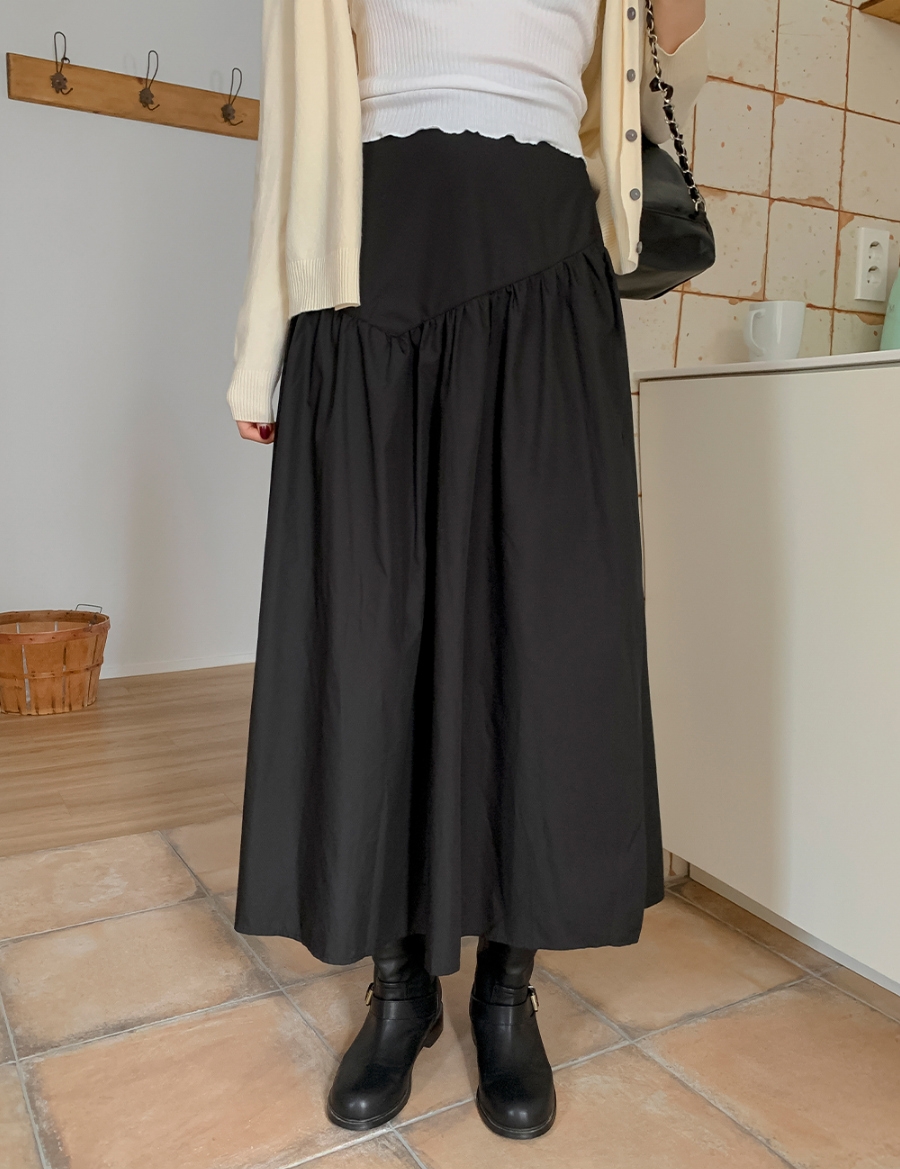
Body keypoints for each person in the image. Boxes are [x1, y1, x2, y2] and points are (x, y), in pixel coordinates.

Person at [227, 0, 707, 1141]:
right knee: (369, 631)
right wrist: (260, 349)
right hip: (367, 252)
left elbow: (674, 27)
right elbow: (292, 126)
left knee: (543, 627)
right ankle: (400, 990)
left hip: (545, 254)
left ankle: (505, 991)